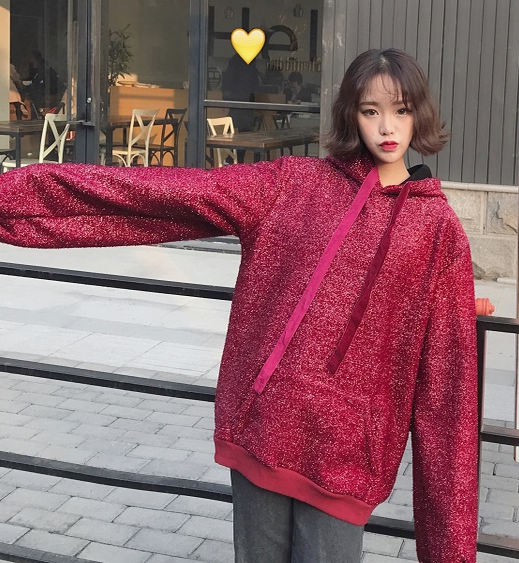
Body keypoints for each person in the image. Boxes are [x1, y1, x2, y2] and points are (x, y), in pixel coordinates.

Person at [0, 49, 477, 562]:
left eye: (401, 110)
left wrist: (449, 553)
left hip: (345, 460)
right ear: (350, 114)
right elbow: (164, 193)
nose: (387, 127)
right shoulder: (295, 185)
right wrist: (14, 196)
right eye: (370, 110)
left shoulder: (437, 230)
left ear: (419, 114)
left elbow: (447, 398)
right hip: (262, 431)